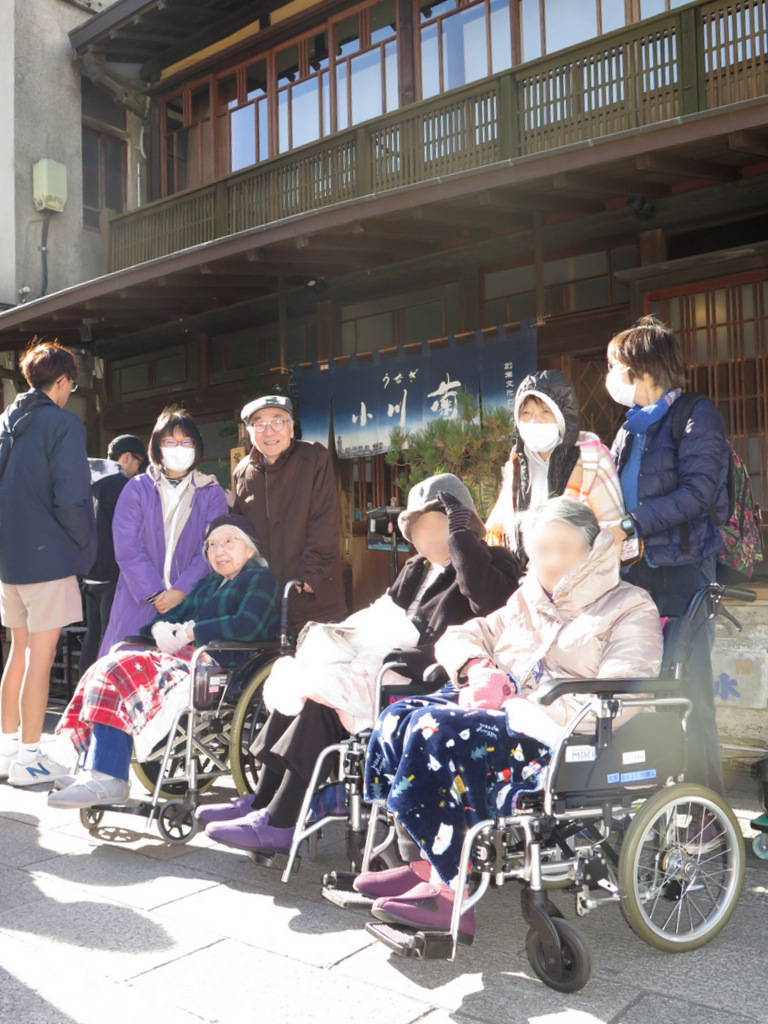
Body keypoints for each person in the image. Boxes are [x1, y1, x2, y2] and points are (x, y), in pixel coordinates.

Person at [357, 498, 662, 942]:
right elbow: (462, 633)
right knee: (398, 717)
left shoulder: (629, 605)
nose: (553, 560)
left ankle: (451, 895)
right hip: (507, 715)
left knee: (437, 733)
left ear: (593, 546)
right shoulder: (527, 599)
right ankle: (424, 863)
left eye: (565, 547)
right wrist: (479, 668)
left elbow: (625, 686)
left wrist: (528, 704)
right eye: (541, 550)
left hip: (563, 732)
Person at [200, 473, 522, 856]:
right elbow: (380, 614)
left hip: (430, 677)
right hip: (385, 668)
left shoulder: (494, 561)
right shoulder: (417, 568)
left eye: (440, 524)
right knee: (303, 684)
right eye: (420, 528)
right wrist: (339, 633)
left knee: (322, 698)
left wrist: (462, 540)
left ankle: (281, 820)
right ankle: (262, 800)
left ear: (463, 524)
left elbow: (483, 599)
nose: (430, 537)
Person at [49, 515, 280, 809]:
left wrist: (192, 631)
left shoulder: (260, 578)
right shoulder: (210, 584)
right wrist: (160, 629)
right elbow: (170, 616)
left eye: (228, 542)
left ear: (249, 549)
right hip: (187, 660)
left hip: (220, 666)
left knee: (118, 671)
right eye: (211, 545)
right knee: (109, 664)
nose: (219, 551)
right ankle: (95, 768)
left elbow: (248, 624)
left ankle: (106, 775)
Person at [603, 315, 729, 795]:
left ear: (643, 368)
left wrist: (632, 523)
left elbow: (699, 493)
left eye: (616, 366)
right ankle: (655, 799)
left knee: (689, 690)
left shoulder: (697, 414)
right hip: (636, 579)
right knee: (638, 689)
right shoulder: (629, 429)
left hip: (682, 574)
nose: (610, 378)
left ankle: (705, 809)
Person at [0, 340, 96, 787]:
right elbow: (73, 498)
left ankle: (6, 750)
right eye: (69, 386)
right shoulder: (62, 424)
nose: (68, 394)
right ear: (61, 381)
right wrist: (85, 547)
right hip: (48, 559)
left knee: (18, 653)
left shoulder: (7, 422)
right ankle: (31, 758)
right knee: (42, 658)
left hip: (10, 561)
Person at [99, 407, 227, 656]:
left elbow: (212, 547)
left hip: (190, 601)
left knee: (181, 677)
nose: (178, 448)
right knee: (128, 669)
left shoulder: (211, 492)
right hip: (138, 600)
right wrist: (155, 592)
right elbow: (127, 546)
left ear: (196, 446)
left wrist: (182, 590)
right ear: (157, 447)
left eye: (185, 441)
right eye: (170, 441)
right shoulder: (137, 488)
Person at [232, 395, 346, 634]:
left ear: (291, 428)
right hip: (263, 602)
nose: (269, 431)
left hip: (311, 591)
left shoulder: (314, 457)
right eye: (259, 424)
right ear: (250, 433)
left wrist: (310, 576)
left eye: (278, 421)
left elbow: (324, 524)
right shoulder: (242, 472)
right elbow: (243, 535)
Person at [485, 370, 624, 556]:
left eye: (545, 411)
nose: (535, 421)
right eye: (526, 412)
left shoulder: (592, 458)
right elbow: (502, 527)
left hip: (579, 572)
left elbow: (611, 528)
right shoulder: (518, 461)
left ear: (563, 415)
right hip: (527, 576)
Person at [79, 435, 148, 675]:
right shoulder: (120, 484)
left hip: (90, 571)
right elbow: (135, 528)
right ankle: (98, 693)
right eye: (140, 463)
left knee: (93, 633)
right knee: (111, 637)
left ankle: (81, 692)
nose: (140, 470)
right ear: (127, 457)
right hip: (112, 572)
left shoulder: (91, 481)